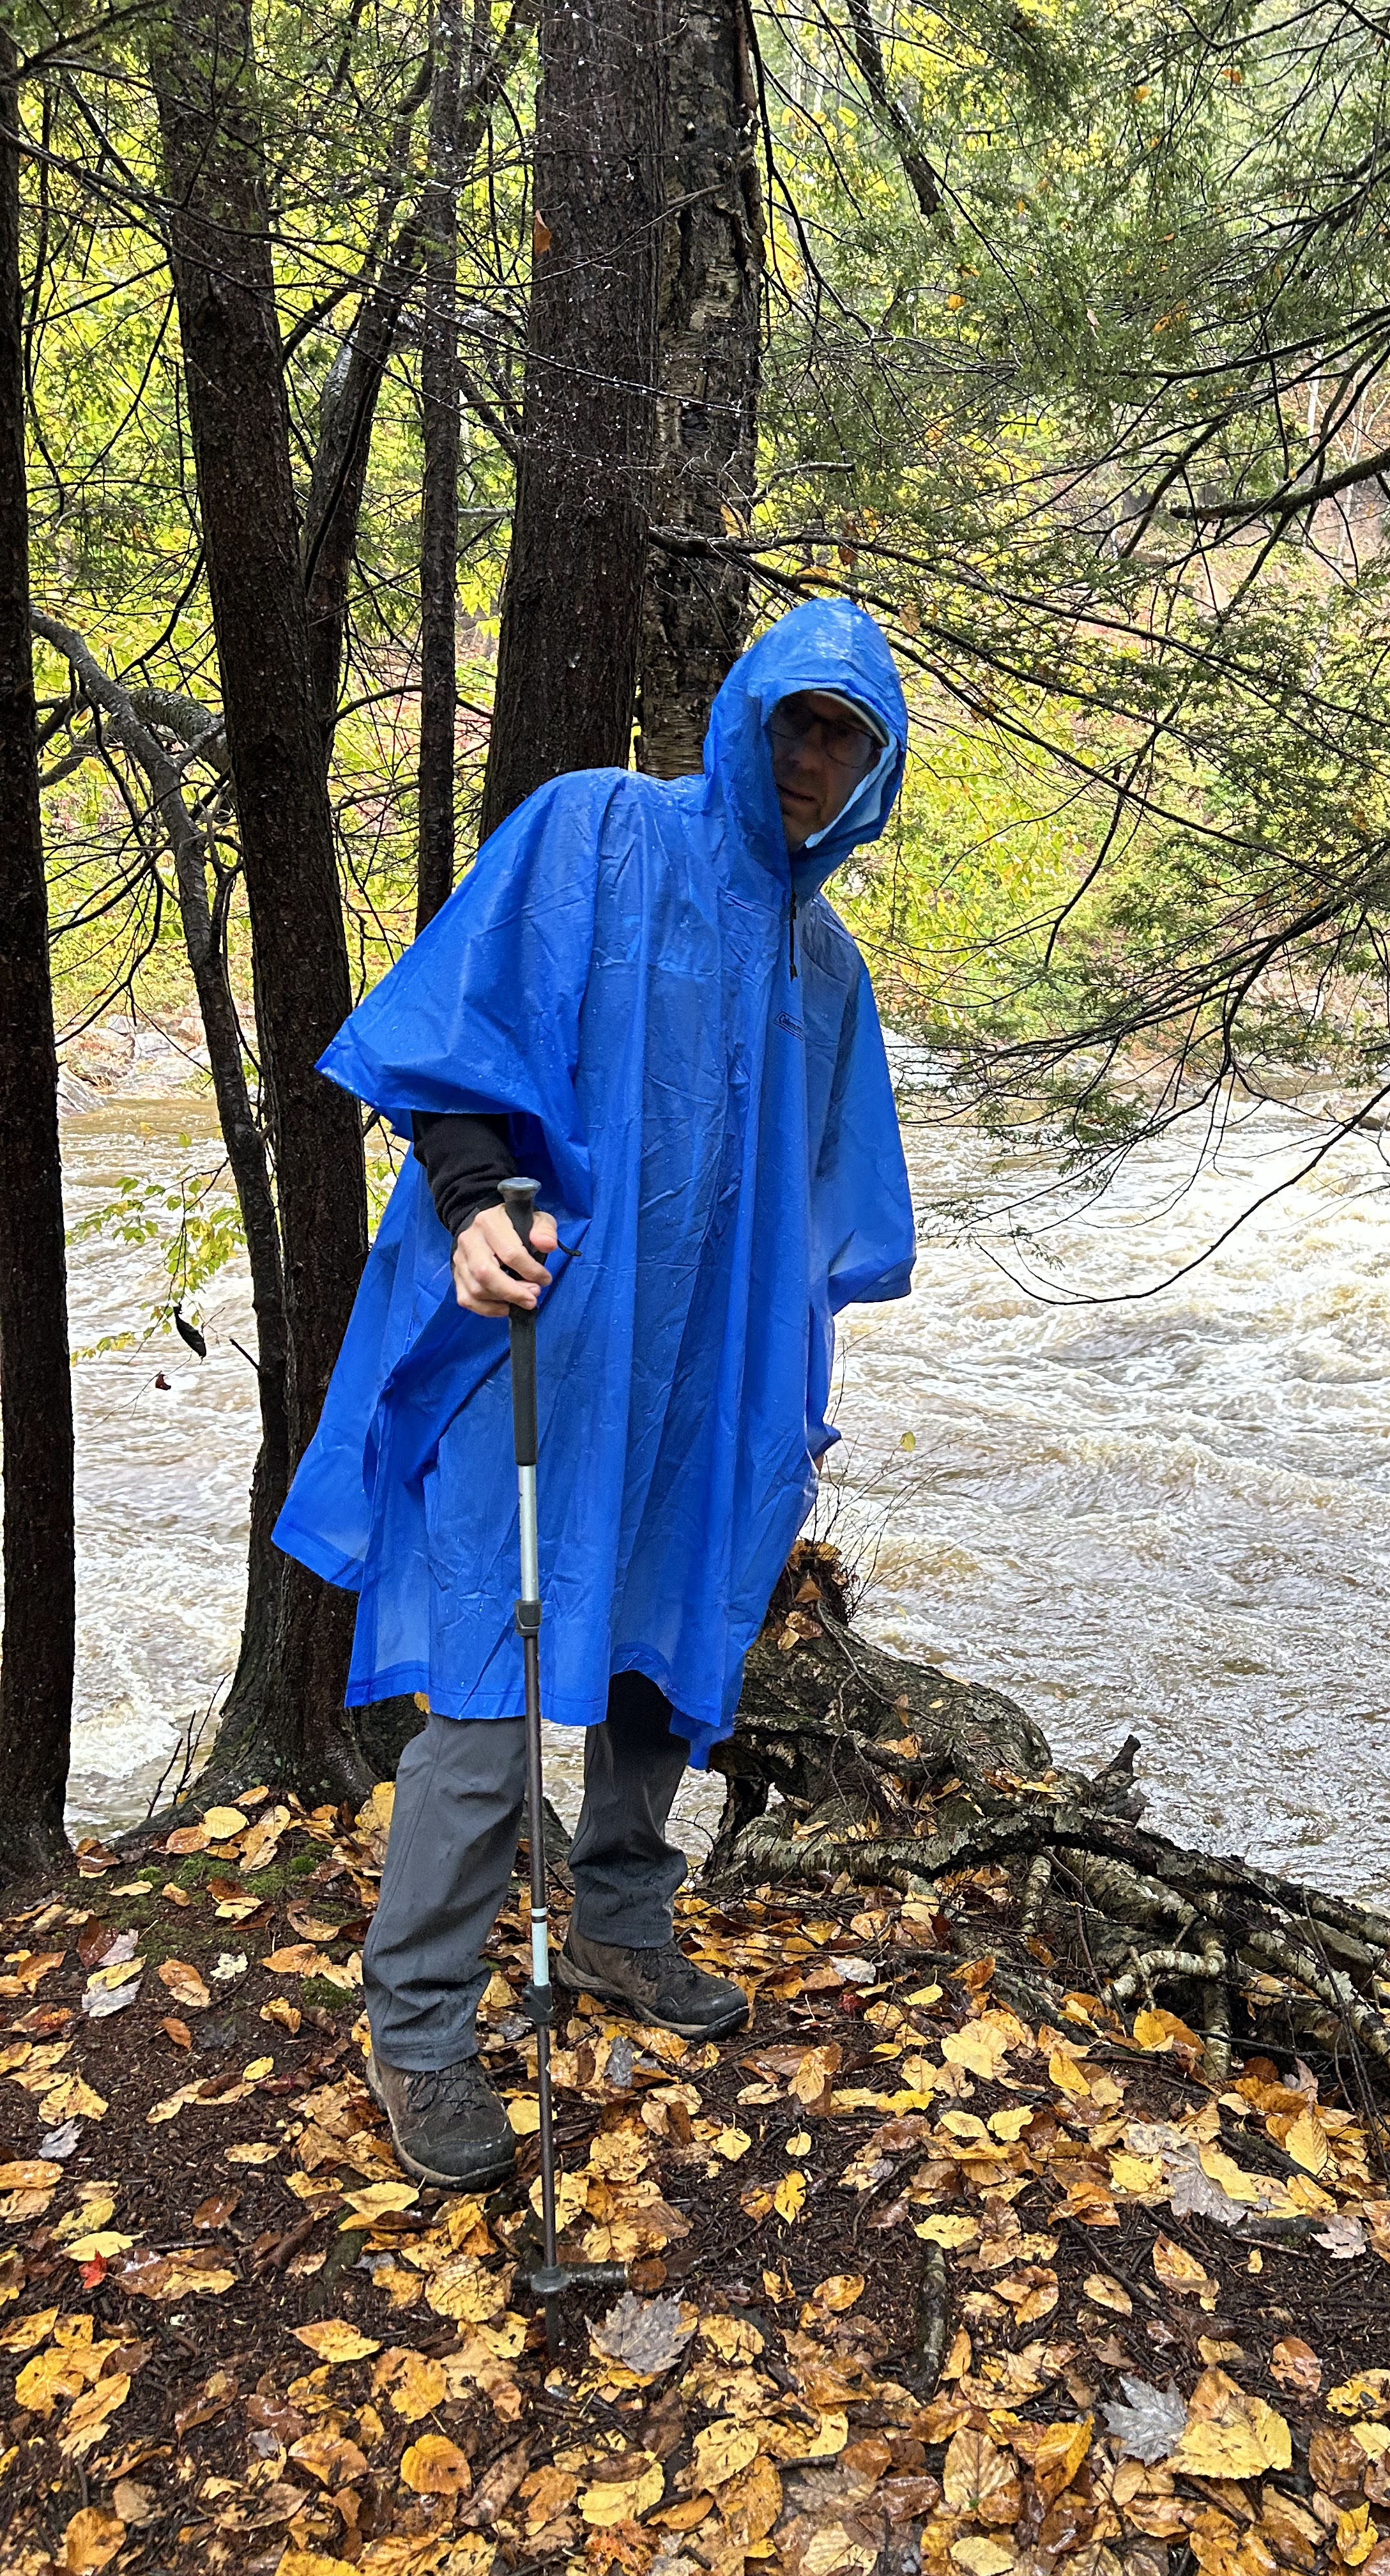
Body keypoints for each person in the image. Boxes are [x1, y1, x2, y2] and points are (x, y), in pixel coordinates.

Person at [273, 598, 917, 2189]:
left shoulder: (825, 975)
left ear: (874, 771)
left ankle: (625, 1924)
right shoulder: (596, 835)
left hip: (700, 1386)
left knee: (662, 1651)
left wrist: (784, 1391)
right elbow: (463, 1032)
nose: (815, 761)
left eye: (849, 738)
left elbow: (819, 1211)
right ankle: (418, 2026)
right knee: (492, 1687)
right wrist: (475, 1190)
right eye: (799, 723)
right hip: (540, 1353)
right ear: (745, 716)